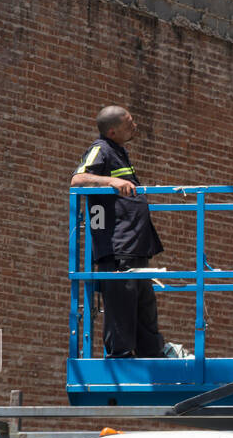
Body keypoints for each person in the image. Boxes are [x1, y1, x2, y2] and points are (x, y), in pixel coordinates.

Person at [71, 106, 189, 359]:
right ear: (112, 131)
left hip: (134, 245)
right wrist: (112, 181)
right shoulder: (100, 149)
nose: (135, 127)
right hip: (118, 246)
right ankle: (120, 356)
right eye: (129, 124)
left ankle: (152, 352)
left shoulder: (119, 151)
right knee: (121, 302)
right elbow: (78, 180)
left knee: (144, 304)